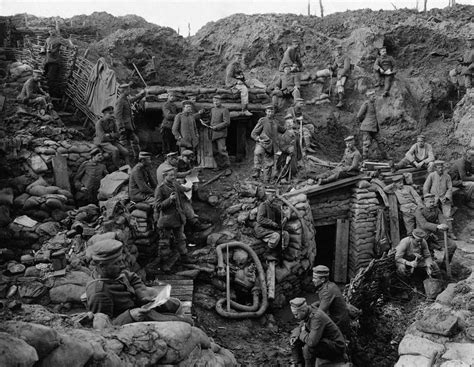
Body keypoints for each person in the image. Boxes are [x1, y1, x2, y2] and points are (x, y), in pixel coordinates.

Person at [85, 239, 190, 328]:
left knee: (175, 304)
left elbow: (131, 277)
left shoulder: (112, 273)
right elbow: (104, 327)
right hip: (133, 323)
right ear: (102, 266)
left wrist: (141, 291)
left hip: (142, 306)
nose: (122, 266)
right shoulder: (99, 293)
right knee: (186, 324)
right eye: (117, 263)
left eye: (121, 261)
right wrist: (130, 315)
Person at [289, 297, 346, 367]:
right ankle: (298, 364)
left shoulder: (317, 317)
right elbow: (301, 325)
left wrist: (302, 332)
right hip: (323, 340)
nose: (295, 317)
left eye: (296, 314)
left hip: (336, 346)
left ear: (303, 310)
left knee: (308, 349)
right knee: (295, 341)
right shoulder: (307, 311)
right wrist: (295, 336)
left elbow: (312, 342)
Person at [154, 167, 188, 270]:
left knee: (181, 239)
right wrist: (170, 199)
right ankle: (164, 264)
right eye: (171, 175)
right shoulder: (160, 188)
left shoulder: (174, 185)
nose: (173, 177)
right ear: (165, 176)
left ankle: (185, 258)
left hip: (177, 219)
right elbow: (158, 206)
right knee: (164, 243)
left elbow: (181, 195)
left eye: (174, 175)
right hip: (166, 221)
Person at [415, 193, 457, 261]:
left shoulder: (436, 208)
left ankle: (444, 266)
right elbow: (424, 224)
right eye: (430, 202)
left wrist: (444, 224)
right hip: (422, 233)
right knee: (421, 252)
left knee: (452, 245)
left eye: (433, 201)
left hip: (434, 232)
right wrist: (438, 226)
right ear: (425, 202)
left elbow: (441, 217)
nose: (432, 204)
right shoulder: (419, 210)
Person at [311, 265, 350, 336]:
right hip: (338, 317)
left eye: (315, 278)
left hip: (338, 322)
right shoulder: (330, 285)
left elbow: (320, 313)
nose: (312, 280)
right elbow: (325, 301)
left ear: (322, 280)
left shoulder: (327, 291)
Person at [250, 105, 286, 180]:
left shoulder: (276, 122)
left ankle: (267, 180)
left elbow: (283, 130)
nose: (270, 113)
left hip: (272, 146)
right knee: (257, 152)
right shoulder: (262, 121)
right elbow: (254, 133)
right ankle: (256, 171)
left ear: (274, 112)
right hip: (263, 143)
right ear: (266, 112)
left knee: (269, 163)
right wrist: (258, 139)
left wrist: (290, 128)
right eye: (268, 111)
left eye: (271, 111)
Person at [115, 83, 145, 164]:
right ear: (124, 91)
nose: (129, 91)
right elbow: (118, 115)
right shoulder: (120, 100)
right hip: (124, 127)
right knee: (125, 144)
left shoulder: (125, 98)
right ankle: (127, 161)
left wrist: (140, 96)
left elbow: (131, 101)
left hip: (129, 126)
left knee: (135, 141)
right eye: (128, 90)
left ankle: (135, 159)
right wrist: (121, 128)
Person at [357, 90, 387, 160]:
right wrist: (364, 121)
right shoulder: (366, 104)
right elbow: (359, 115)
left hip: (374, 127)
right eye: (373, 96)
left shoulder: (373, 104)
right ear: (369, 97)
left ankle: (385, 156)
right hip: (367, 127)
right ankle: (365, 158)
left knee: (380, 141)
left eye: (375, 96)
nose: (375, 97)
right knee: (366, 143)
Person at [423, 160, 453, 225]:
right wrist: (427, 197)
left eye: (442, 167)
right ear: (435, 168)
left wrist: (447, 196)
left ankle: (450, 231)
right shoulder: (432, 175)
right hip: (433, 198)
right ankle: (435, 229)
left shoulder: (447, 176)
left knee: (447, 214)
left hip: (444, 197)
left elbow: (450, 188)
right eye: (439, 168)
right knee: (431, 213)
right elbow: (426, 187)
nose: (441, 169)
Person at [209, 95, 231, 170]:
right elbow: (211, 120)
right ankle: (220, 166)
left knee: (222, 151)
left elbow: (227, 122)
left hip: (221, 133)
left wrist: (217, 127)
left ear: (220, 101)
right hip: (213, 134)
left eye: (217, 101)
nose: (215, 102)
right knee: (215, 151)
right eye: (214, 101)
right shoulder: (212, 110)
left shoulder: (224, 110)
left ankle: (227, 167)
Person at [43, 27, 62, 97]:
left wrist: (72, 46)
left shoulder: (58, 39)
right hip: (47, 61)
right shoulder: (47, 39)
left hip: (54, 61)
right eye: (49, 30)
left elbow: (67, 43)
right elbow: (44, 47)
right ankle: (44, 91)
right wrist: (43, 49)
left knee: (51, 79)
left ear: (55, 31)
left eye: (52, 30)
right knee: (44, 76)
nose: (51, 31)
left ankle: (51, 94)